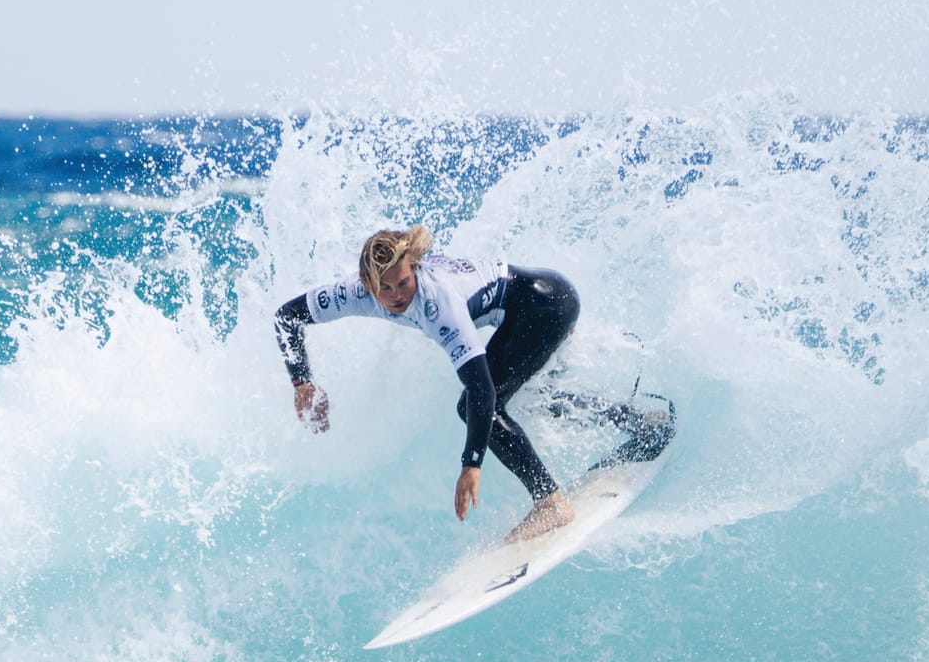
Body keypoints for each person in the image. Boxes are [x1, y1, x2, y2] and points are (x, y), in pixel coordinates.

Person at [273, 225, 655, 542]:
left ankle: (550, 503)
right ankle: (638, 421)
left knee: (480, 407)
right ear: (366, 284)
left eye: (403, 283)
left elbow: (480, 390)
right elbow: (286, 317)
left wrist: (471, 464)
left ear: (415, 270)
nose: (395, 297)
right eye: (384, 289)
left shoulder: (438, 304)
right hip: (531, 303)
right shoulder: (355, 292)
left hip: (546, 307)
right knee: (523, 402)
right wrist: (301, 381)